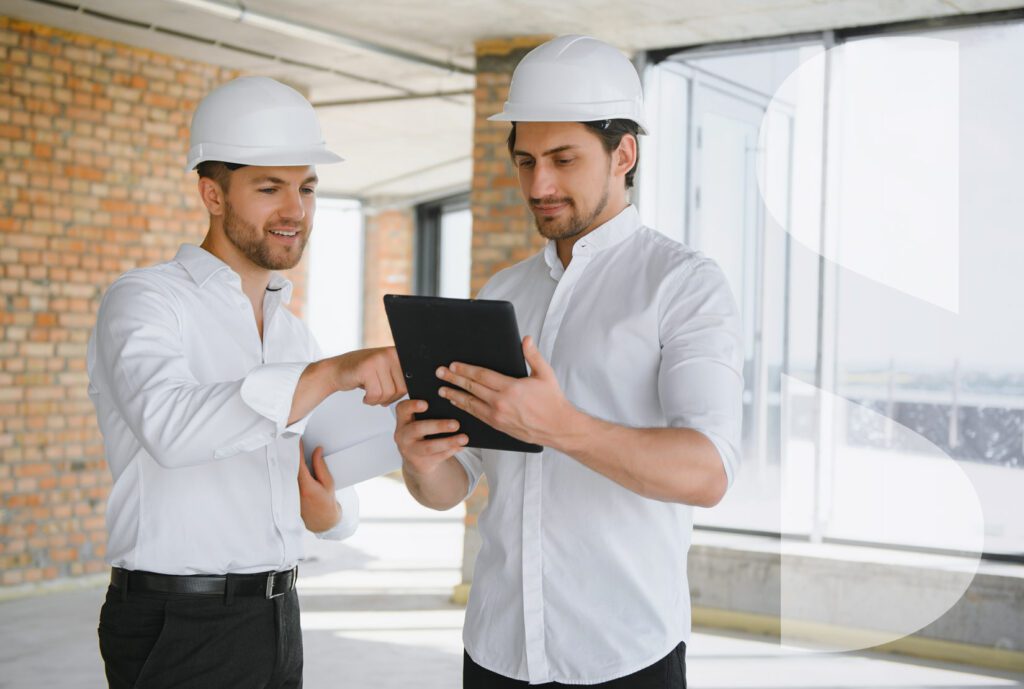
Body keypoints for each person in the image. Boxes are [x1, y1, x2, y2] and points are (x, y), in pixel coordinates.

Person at [394, 36, 744, 688]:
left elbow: (710, 469)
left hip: (623, 654)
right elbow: (455, 481)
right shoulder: (500, 294)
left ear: (624, 153)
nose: (539, 184)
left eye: (562, 159)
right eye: (525, 161)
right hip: (496, 649)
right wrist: (419, 461)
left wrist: (558, 424)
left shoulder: (685, 284)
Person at [87, 76, 406, 689]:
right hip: (178, 620)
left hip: (278, 613)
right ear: (212, 193)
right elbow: (172, 430)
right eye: (269, 188)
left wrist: (329, 508)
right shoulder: (146, 302)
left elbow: (329, 488)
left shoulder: (293, 338)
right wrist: (331, 373)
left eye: (307, 189)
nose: (296, 210)